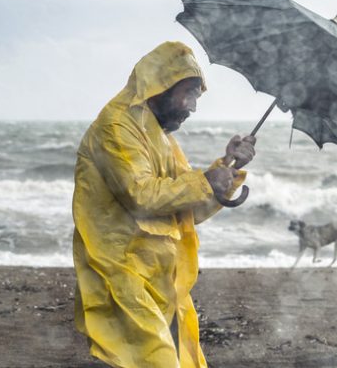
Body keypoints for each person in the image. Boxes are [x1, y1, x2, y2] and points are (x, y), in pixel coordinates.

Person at [72, 41, 255, 368]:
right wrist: (207, 181)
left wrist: (228, 165)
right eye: (189, 94)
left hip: (160, 276)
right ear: (160, 86)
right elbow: (140, 195)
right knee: (157, 361)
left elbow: (187, 208)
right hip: (123, 270)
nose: (193, 107)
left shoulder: (157, 134)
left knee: (176, 358)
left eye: (197, 97)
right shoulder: (117, 127)